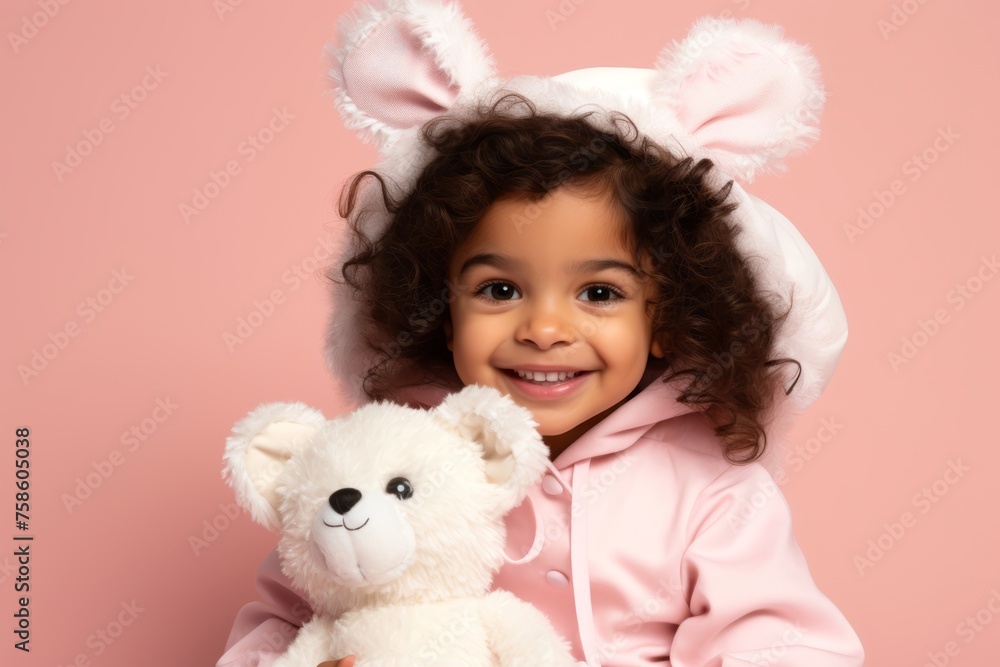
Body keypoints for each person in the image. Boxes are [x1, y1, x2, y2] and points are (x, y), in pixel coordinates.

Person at [217, 2, 864, 665]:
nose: (546, 329)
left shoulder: (710, 488)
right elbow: (287, 615)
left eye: (599, 293)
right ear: (442, 311)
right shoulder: (391, 456)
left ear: (666, 317)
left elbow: (783, 642)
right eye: (500, 290)